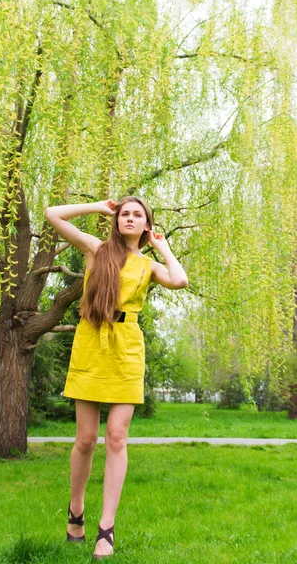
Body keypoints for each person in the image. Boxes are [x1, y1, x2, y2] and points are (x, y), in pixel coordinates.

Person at [44, 196, 188, 560]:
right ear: (116, 219)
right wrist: (98, 207)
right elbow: (52, 215)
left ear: (146, 225)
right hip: (92, 341)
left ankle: (105, 528)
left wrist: (162, 245)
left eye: (137, 215)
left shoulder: (149, 265)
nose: (129, 218)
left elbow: (180, 279)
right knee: (85, 439)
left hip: (126, 348)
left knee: (116, 436)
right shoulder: (96, 250)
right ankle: (75, 510)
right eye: (124, 213)